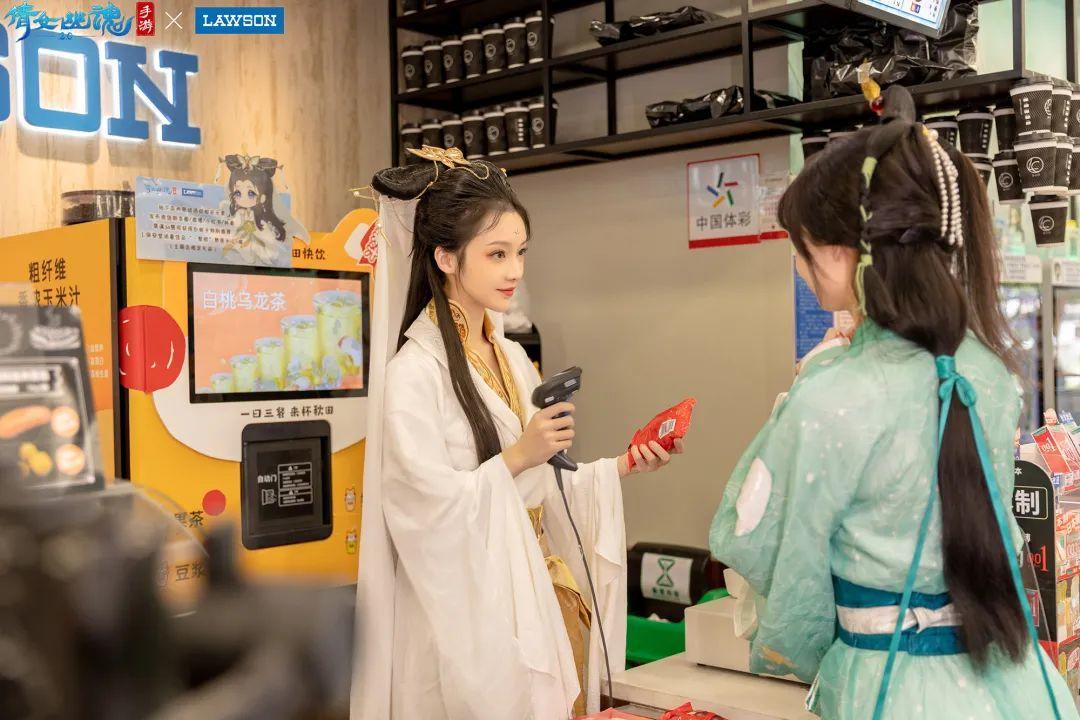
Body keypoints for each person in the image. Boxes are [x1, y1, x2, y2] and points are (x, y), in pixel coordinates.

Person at [709, 87, 1078, 720]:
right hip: (1007, 677)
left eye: (800, 248)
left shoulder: (830, 392)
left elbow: (768, 551)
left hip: (886, 684)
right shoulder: (987, 374)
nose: (799, 266)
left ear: (836, 253)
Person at [351, 146, 684, 720]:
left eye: (521, 252)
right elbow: (420, 511)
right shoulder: (413, 374)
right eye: (497, 254)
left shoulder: (510, 357)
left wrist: (625, 464)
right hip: (460, 617)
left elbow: (544, 489)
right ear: (446, 258)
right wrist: (518, 457)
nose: (515, 271)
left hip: (531, 591)